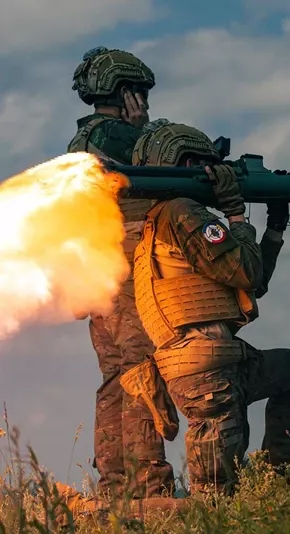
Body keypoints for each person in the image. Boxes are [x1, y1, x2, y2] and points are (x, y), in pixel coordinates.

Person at [129, 122, 290, 495]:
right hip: (206, 373)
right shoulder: (183, 213)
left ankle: (277, 482)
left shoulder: (156, 225)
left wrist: (275, 228)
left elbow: (251, 281)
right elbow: (245, 270)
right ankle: (264, 488)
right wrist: (235, 213)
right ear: (190, 164)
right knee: (216, 497)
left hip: (217, 361)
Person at [66, 46, 176, 500]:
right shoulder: (119, 137)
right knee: (141, 368)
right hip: (129, 271)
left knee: (114, 375)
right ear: (128, 92)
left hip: (98, 273)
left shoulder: (82, 139)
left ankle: (114, 487)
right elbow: (169, 165)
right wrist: (143, 129)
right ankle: (149, 486)